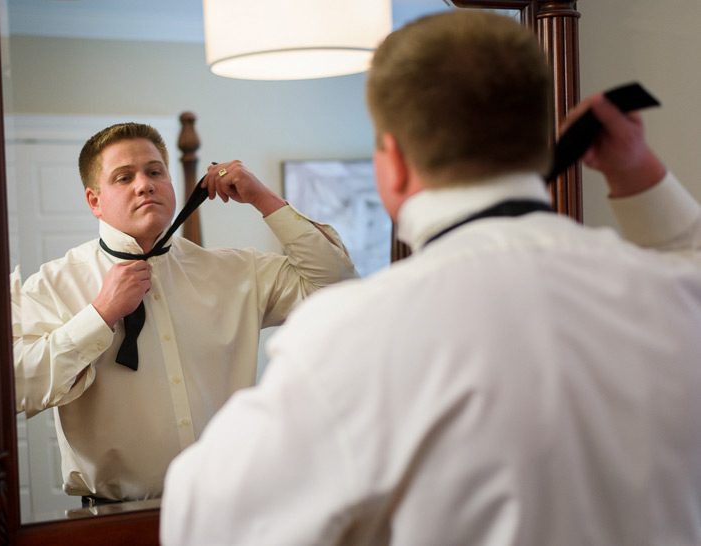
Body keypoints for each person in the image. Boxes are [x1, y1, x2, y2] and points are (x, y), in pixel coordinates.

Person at [160, 11, 701, 546]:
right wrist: (636, 169)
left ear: (393, 161)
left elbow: (206, 523)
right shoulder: (671, 296)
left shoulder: (350, 339)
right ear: (543, 141)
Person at [12, 121, 358, 505]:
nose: (144, 184)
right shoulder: (53, 286)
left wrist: (262, 198)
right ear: (94, 201)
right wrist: (99, 315)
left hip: (230, 510)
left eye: (154, 171)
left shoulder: (235, 273)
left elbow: (336, 284)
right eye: (124, 177)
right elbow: (16, 387)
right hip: (115, 524)